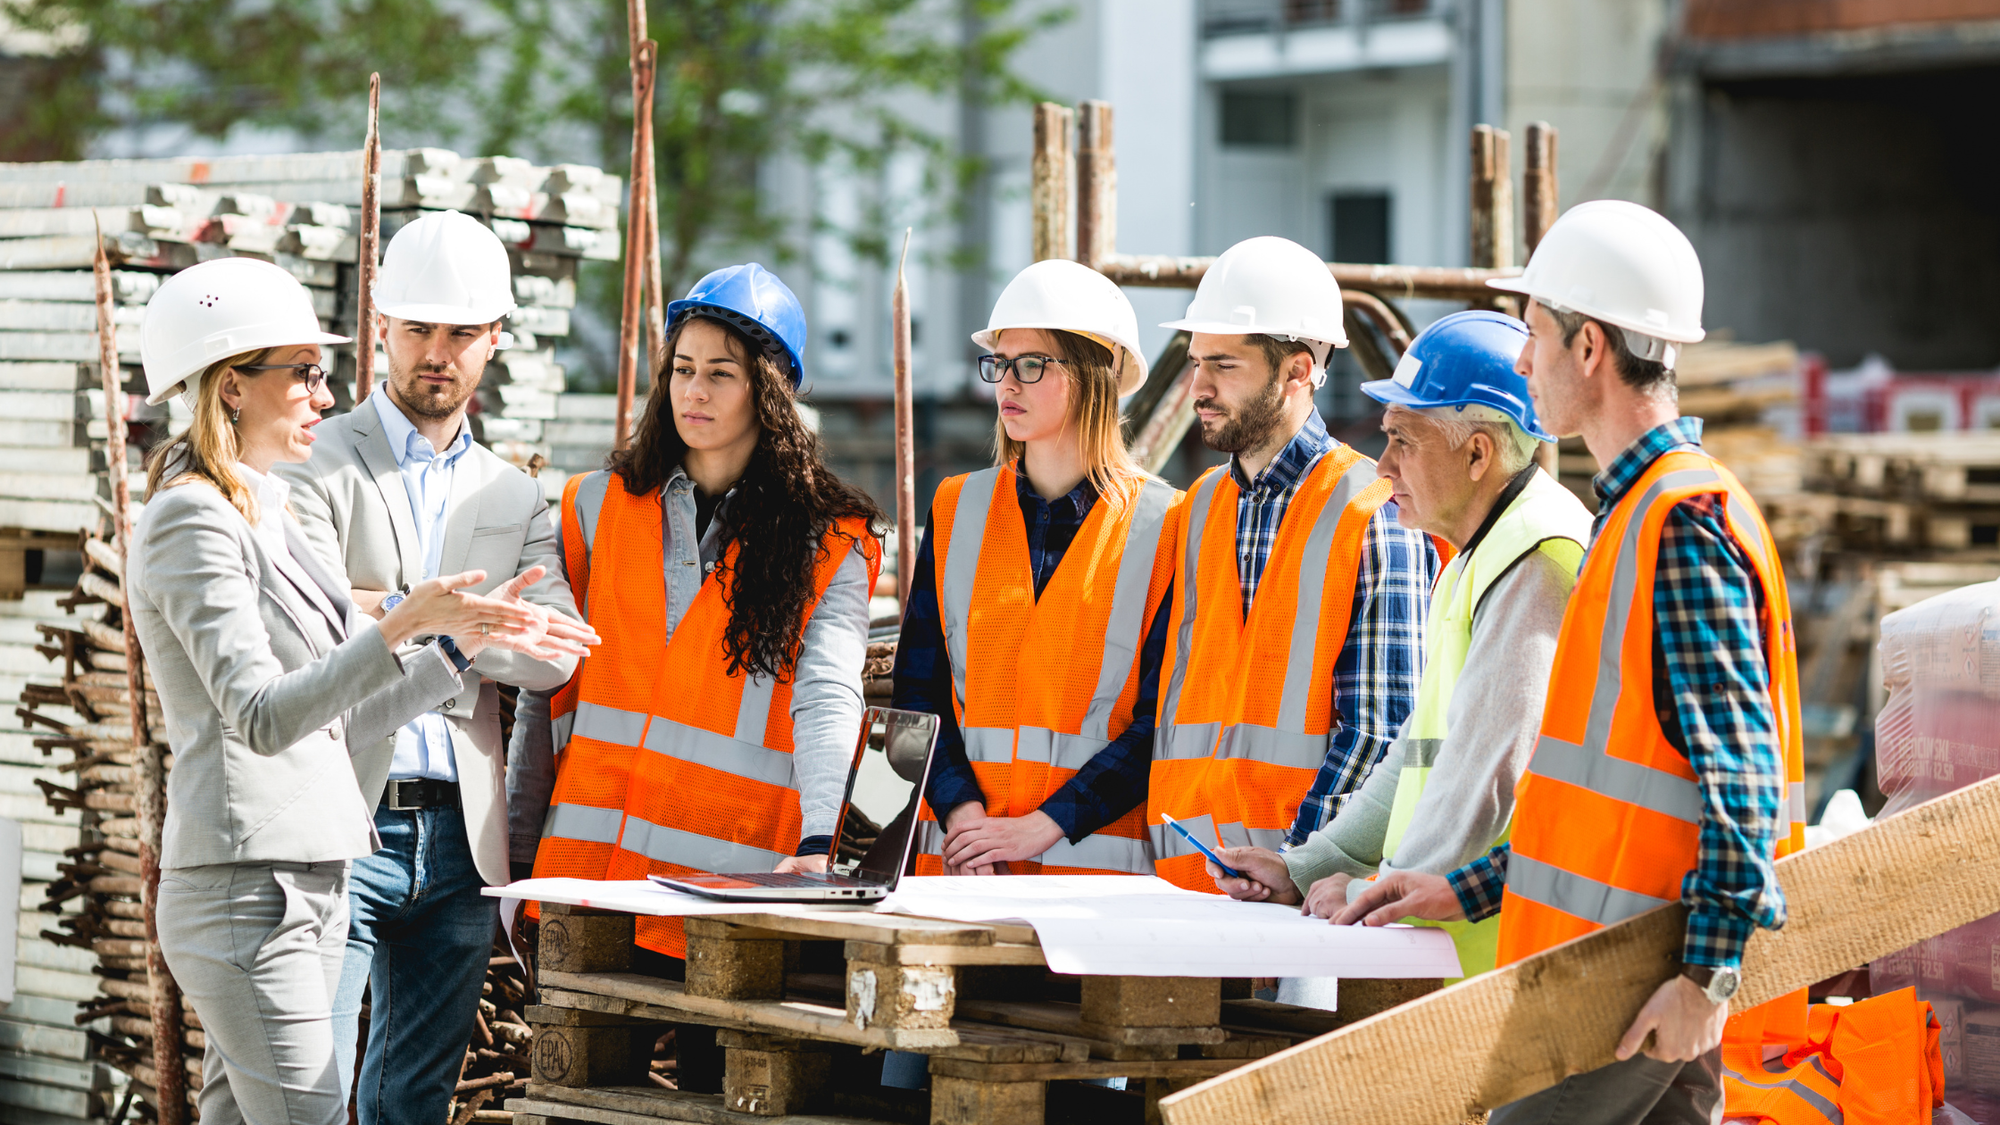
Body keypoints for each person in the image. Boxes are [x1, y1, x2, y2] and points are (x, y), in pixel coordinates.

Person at [1331, 201, 1807, 1124]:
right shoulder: (1637, 518)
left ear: (1590, 347)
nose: (1522, 360)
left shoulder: (1681, 524)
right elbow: (1592, 802)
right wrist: (1459, 885)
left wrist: (1707, 977)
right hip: (1607, 968)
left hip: (1631, 981)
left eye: (1536, 333)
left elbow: (1741, 775)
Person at [127, 257, 580, 1125]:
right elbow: (262, 716)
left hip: (301, 878)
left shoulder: (263, 512)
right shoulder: (191, 516)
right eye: (302, 373)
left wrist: (451, 645)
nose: (324, 396)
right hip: (248, 888)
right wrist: (399, 624)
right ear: (231, 388)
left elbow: (332, 717)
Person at [274, 211, 597, 1125]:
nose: (436, 352)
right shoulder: (315, 462)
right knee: (311, 1088)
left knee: (411, 1100)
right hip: (340, 810)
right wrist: (473, 623)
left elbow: (550, 658)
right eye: (418, 328)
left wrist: (395, 611)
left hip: (460, 837)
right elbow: (307, 635)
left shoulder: (514, 491)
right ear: (381, 327)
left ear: (495, 339)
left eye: (460, 332)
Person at [1204, 311, 1591, 984]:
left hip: (1509, 970)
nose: (1382, 467)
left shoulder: (1536, 556)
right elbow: (1416, 758)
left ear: (1477, 453)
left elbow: (1483, 777)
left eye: (1403, 442)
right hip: (1463, 957)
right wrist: (1309, 865)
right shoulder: (1478, 556)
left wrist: (1376, 890)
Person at [513, 262, 881, 964]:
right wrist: (518, 856)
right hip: (589, 883)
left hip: (731, 891)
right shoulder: (595, 506)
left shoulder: (829, 539)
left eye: (720, 373)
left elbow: (830, 695)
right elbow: (545, 696)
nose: (694, 391)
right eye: (682, 369)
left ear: (769, 390)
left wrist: (816, 839)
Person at [1145, 235, 1440, 892]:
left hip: (1304, 897)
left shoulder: (1373, 510)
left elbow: (1379, 730)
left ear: (1298, 371)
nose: (1199, 387)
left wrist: (1299, 865)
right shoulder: (1197, 509)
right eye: (1196, 363)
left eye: (1223, 364)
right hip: (1183, 885)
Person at [893, 259, 1179, 877]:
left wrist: (1040, 828)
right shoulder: (957, 506)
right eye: (1000, 364)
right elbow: (917, 695)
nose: (1006, 386)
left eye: (1031, 364)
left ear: (1093, 373)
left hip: (1093, 889)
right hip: (960, 873)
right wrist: (963, 814)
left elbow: (1161, 723)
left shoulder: (1168, 527)